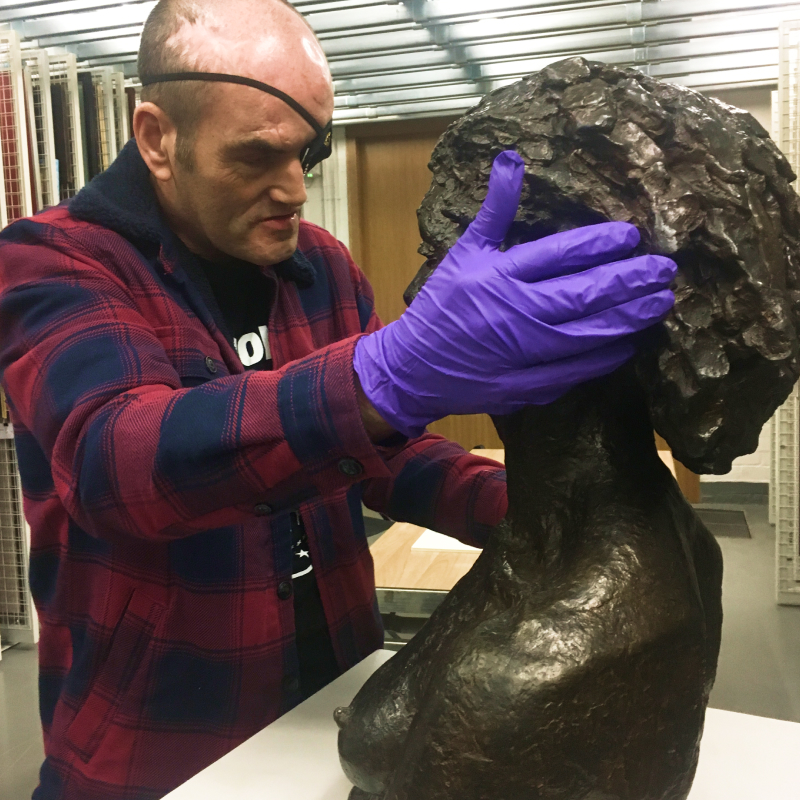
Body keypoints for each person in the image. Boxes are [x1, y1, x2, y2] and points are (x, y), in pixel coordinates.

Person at [0, 1, 676, 798]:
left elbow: (380, 458)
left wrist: (537, 510)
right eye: (256, 157)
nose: (293, 189)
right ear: (158, 138)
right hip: (156, 746)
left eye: (309, 153)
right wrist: (374, 378)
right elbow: (120, 460)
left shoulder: (316, 264)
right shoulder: (53, 265)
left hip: (330, 702)